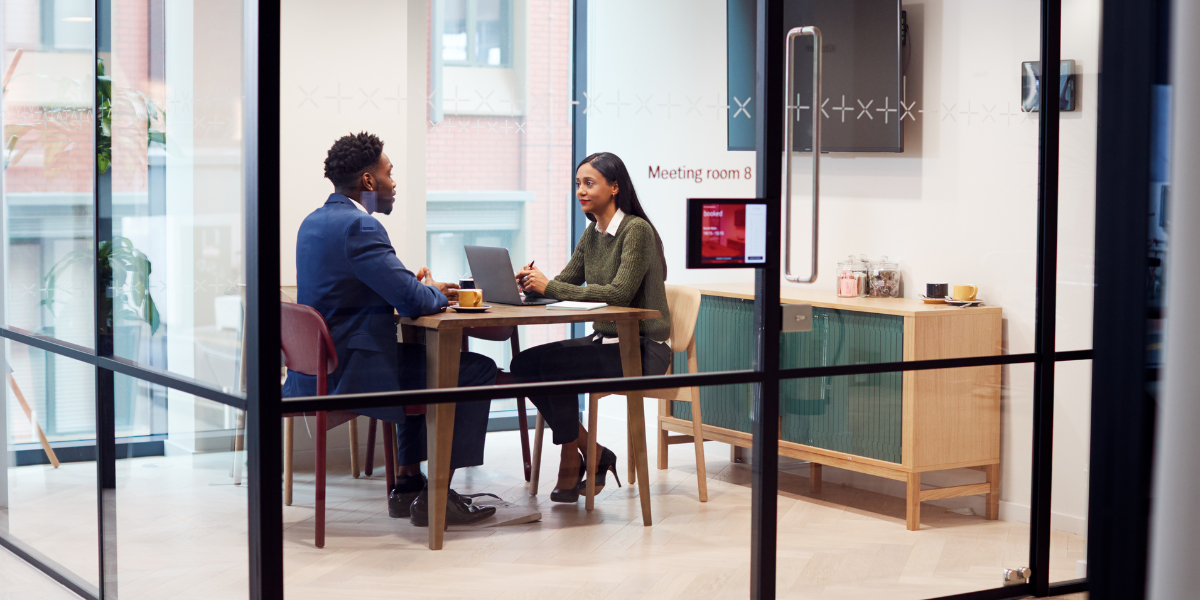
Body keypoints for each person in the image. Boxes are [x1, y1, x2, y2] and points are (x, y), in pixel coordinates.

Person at [281, 131, 497, 526]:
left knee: (422, 364)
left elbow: (360, 284)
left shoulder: (313, 222)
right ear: (368, 181)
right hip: (354, 372)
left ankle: (409, 485)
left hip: (319, 368)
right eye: (389, 173)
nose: (394, 183)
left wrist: (411, 285)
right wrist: (430, 291)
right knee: (473, 369)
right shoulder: (360, 228)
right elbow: (413, 302)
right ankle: (438, 497)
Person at [509, 151, 672, 502]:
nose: (580, 190)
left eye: (589, 183)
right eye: (578, 184)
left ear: (614, 187)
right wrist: (528, 284)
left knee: (554, 368)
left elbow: (619, 294)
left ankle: (572, 457)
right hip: (604, 342)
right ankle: (590, 450)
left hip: (643, 350)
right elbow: (565, 282)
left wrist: (549, 286)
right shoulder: (592, 233)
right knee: (522, 364)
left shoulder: (636, 230)